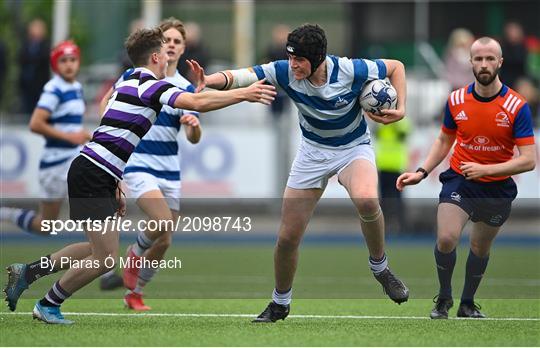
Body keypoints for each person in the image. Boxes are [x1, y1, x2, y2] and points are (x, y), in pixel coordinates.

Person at [4, 27, 276, 325]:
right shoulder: (149, 86)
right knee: (105, 257)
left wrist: (116, 179)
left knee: (96, 250)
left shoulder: (130, 80)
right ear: (157, 56)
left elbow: (110, 132)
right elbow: (197, 103)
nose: (169, 53)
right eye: (165, 49)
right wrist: (245, 94)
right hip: (93, 173)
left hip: (97, 172)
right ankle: (48, 304)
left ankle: (28, 273)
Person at [201, 24, 409, 323]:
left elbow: (397, 67)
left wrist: (400, 108)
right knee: (287, 238)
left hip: (352, 147)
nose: (292, 65)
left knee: (366, 200)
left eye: (299, 60)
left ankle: (380, 268)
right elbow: (242, 76)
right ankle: (280, 302)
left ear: (319, 58)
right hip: (312, 153)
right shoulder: (285, 71)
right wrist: (207, 80)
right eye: (290, 58)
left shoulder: (351, 70)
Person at [397, 37, 536, 319]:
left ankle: (467, 303)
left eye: (489, 59)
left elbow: (528, 160)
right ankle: (444, 298)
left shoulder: (516, 106)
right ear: (470, 62)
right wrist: (422, 171)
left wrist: (486, 170)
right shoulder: (456, 99)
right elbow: (444, 140)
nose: (484, 64)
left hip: (496, 188)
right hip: (460, 180)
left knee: (479, 247)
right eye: (478, 59)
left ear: (500, 62)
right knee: (446, 238)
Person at [120, 17, 202, 310]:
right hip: (140, 162)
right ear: (158, 46)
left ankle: (135, 292)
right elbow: (109, 103)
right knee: (161, 221)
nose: (171, 45)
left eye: (177, 42)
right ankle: (135, 251)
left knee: (165, 240)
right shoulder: (138, 75)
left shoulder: (186, 88)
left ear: (183, 49)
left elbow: (193, 137)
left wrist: (192, 125)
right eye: (166, 40)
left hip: (169, 167)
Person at [1, 40, 92, 235]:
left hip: (73, 159)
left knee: (92, 212)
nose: (69, 64)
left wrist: (84, 135)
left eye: (73, 59)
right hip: (55, 164)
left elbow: (70, 125)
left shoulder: (76, 87)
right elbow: (35, 123)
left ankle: (103, 260)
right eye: (63, 60)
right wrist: (69, 137)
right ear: (55, 64)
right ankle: (6, 214)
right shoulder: (53, 89)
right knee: (46, 227)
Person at [374, 117, 411, 234]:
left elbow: (403, 134)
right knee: (383, 199)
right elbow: (376, 133)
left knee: (398, 199)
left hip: (396, 167)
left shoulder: (402, 122)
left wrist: (394, 120)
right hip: (383, 166)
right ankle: (382, 226)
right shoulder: (381, 123)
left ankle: (401, 226)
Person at [18, 18, 51, 115]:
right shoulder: (26, 44)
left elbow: (44, 59)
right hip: (26, 82)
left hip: (40, 82)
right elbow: (21, 59)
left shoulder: (46, 45)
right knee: (26, 106)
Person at [500, 22, 528, 89]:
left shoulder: (523, 48)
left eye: (515, 31)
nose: (513, 34)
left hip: (521, 80)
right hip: (505, 80)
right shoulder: (502, 48)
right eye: (511, 31)